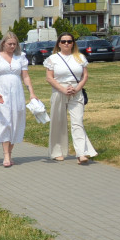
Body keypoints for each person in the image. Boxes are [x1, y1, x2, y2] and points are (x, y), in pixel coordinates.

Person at [44, 33, 97, 164]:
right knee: (58, 122)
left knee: (77, 122)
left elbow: (85, 76)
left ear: (73, 43)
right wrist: (62, 89)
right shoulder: (52, 58)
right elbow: (49, 77)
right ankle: (57, 152)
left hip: (76, 92)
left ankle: (81, 153)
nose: (66, 43)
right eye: (63, 41)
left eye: (69, 41)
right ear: (59, 43)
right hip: (59, 91)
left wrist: (77, 88)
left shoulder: (80, 57)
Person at [0, 32, 35, 167]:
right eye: (10, 44)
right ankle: (6, 155)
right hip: (1, 92)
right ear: (3, 44)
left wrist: (31, 92)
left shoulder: (20, 57)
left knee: (16, 120)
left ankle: (10, 152)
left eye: (14, 44)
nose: (12, 46)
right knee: (5, 121)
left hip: (17, 92)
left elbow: (25, 76)